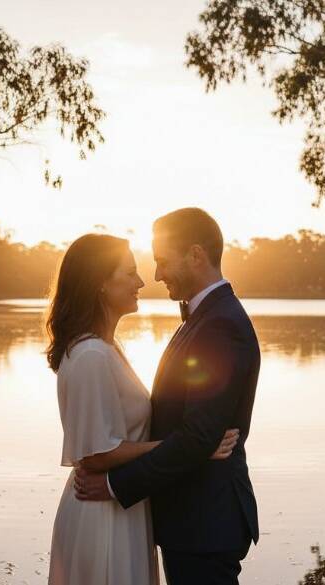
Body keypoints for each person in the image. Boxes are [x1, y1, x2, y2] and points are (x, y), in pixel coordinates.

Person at [74, 209, 261, 585]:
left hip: (204, 522)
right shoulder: (203, 318)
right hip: (193, 521)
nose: (156, 275)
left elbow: (198, 436)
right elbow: (192, 433)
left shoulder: (219, 325)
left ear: (195, 255)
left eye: (162, 262)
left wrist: (114, 485)